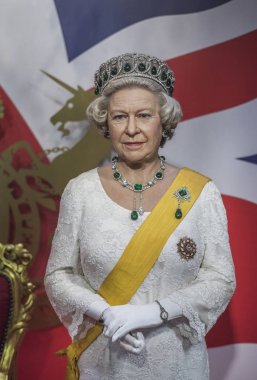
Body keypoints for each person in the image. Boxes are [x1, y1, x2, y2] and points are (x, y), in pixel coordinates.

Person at [44, 53, 236, 380]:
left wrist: (155, 312)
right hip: (105, 361)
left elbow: (220, 278)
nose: (132, 129)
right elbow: (58, 275)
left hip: (178, 364)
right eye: (120, 117)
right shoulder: (81, 191)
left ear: (163, 119)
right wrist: (103, 311)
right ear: (106, 122)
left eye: (144, 115)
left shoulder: (200, 193)